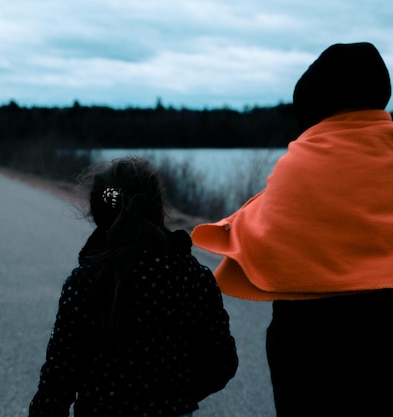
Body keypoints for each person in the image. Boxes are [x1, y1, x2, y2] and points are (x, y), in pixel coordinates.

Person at [192, 42, 393, 417]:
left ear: (313, 101)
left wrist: (226, 228)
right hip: (391, 340)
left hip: (306, 343)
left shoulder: (299, 162)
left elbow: (267, 229)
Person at [29, 157, 238, 417]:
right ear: (160, 209)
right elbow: (222, 364)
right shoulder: (193, 277)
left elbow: (57, 383)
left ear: (97, 216)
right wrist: (176, 395)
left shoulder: (85, 283)